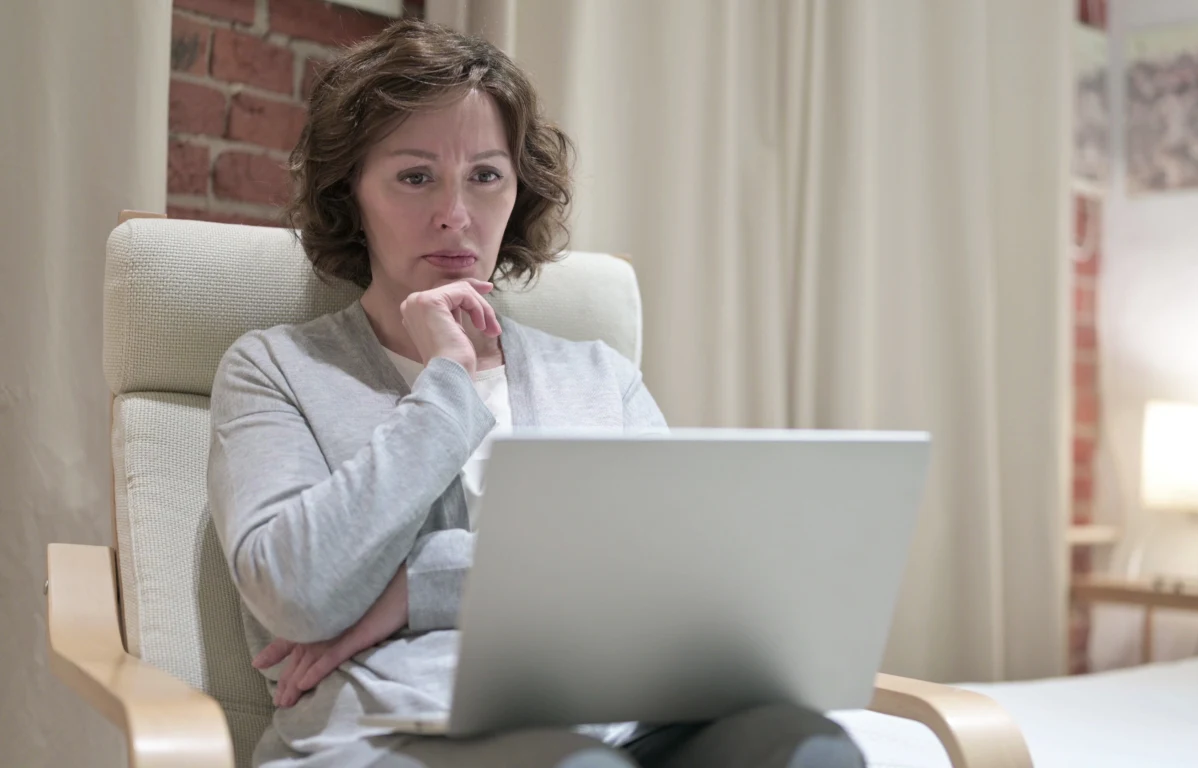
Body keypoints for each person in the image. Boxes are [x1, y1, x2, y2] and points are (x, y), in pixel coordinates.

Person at [207, 19, 866, 768]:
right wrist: (447, 384)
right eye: (415, 176)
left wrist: (417, 588)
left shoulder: (599, 376)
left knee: (809, 748)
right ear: (350, 194)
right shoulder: (274, 369)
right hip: (399, 732)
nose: (456, 212)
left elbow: (668, 574)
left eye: (485, 175)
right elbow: (296, 592)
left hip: (623, 713)